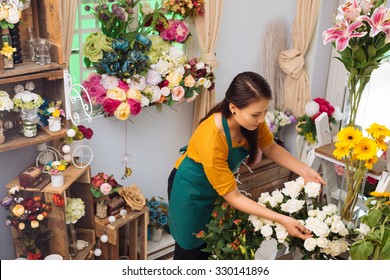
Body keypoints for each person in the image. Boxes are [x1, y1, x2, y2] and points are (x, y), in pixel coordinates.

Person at [167, 71, 326, 260]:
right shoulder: (212, 137)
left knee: (212, 247)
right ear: (234, 108)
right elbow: (233, 196)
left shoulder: (251, 122)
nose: (262, 119)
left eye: (265, 111)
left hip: (216, 188)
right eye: (256, 114)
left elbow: (270, 147)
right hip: (190, 192)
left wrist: (305, 171)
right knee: (190, 252)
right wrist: (281, 219)